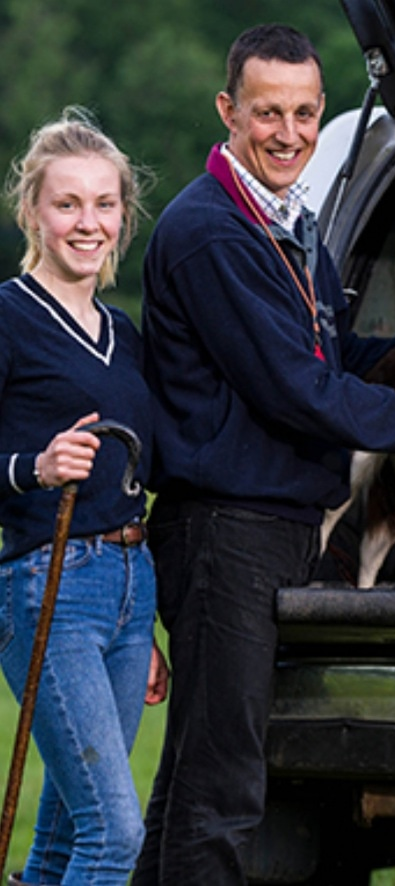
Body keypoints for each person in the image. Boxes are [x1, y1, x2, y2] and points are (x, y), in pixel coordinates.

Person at [136, 24, 395, 883]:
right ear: (228, 112)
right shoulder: (213, 234)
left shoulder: (288, 224)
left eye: (305, 113)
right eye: (267, 113)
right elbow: (298, 391)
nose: (288, 133)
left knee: (195, 777)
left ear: (323, 114)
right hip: (224, 533)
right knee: (226, 786)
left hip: (269, 528)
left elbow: (335, 355)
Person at [1, 107, 169, 884]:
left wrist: (147, 620)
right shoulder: (7, 316)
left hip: (131, 591)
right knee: (116, 835)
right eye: (67, 203)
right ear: (33, 209)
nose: (87, 222)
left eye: (104, 204)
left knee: (65, 840)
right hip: (50, 585)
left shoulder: (122, 330)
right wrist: (32, 467)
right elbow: (27, 466)